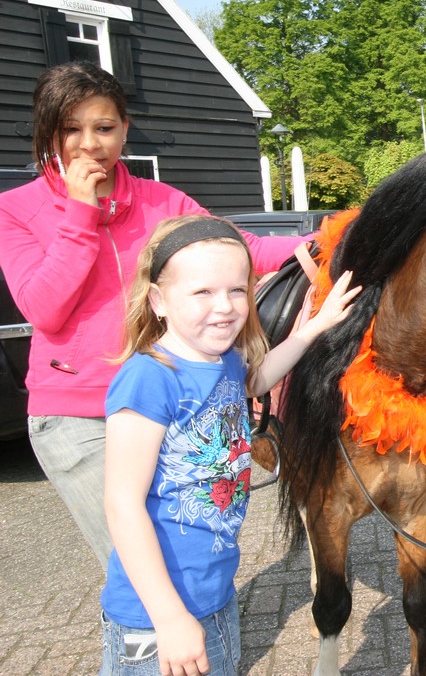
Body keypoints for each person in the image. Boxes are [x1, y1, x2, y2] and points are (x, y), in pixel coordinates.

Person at [0, 61, 307, 569]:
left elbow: (243, 248)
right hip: (81, 413)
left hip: (169, 396)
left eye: (104, 128)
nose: (89, 145)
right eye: (71, 129)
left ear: (124, 129)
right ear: (49, 132)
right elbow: (44, 309)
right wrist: (81, 212)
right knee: (139, 566)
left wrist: (333, 238)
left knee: (188, 551)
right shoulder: (15, 210)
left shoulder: (161, 201)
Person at [100, 215, 359, 676]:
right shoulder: (149, 378)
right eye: (202, 292)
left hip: (215, 595)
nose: (224, 307)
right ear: (158, 300)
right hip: (155, 616)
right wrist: (169, 618)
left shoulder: (224, 361)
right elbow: (122, 505)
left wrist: (315, 326)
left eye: (237, 290)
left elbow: (258, 379)